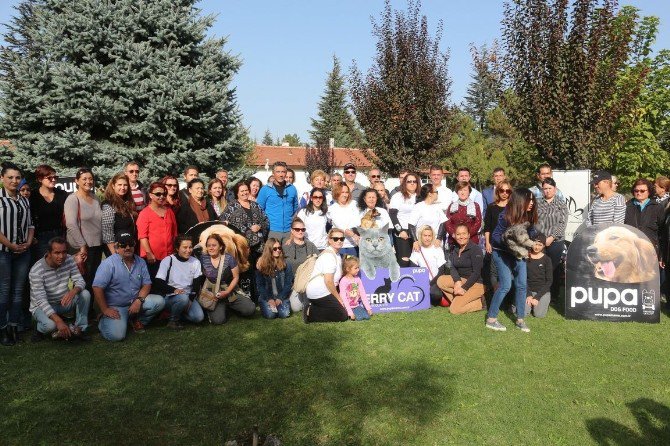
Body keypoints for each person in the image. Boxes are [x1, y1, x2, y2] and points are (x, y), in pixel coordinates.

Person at [92, 231, 165, 341]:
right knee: (117, 336)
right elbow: (97, 287)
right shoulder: (108, 264)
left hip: (135, 303)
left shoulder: (141, 261)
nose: (127, 247)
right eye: (123, 245)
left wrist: (139, 300)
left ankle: (135, 320)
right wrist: (105, 309)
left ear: (134, 245)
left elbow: (147, 284)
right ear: (116, 247)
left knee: (159, 301)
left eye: (130, 244)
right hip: (116, 306)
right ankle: (103, 319)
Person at [488, 188, 537, 333]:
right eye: (529, 200)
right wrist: (509, 241)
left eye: (533, 200)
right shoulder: (505, 216)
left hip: (519, 255)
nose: (532, 203)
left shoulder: (528, 216)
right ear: (520, 201)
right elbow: (495, 236)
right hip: (502, 253)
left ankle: (520, 320)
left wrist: (533, 240)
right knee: (505, 285)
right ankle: (491, 319)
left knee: (521, 285)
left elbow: (532, 232)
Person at [29, 237, 90, 341]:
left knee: (85, 294)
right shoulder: (36, 270)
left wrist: (73, 291)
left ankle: (80, 329)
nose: (61, 256)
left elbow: (80, 281)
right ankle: (40, 329)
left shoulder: (69, 259)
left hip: (62, 302)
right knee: (50, 326)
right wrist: (58, 321)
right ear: (48, 253)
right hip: (42, 306)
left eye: (64, 252)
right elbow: (41, 300)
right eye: (57, 253)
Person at [0, 162, 35, 346]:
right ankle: (3, 328)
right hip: (4, 252)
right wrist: (11, 245)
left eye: (17, 177)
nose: (14, 181)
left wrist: (28, 243)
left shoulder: (24, 200)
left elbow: (30, 225)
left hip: (23, 252)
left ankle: (15, 326)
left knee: (18, 291)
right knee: (4, 292)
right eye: (10, 177)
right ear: (2, 179)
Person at [200, 233, 255, 324]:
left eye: (214, 245)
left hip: (230, 291)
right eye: (208, 245)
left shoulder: (229, 258)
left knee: (250, 310)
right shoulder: (203, 258)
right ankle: (222, 308)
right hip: (213, 294)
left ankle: (231, 305)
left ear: (221, 247)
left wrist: (227, 292)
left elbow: (236, 277)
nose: (211, 248)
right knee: (218, 321)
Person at [63, 167, 102, 294]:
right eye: (84, 179)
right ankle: (82, 311)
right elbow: (71, 224)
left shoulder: (96, 198)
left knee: (94, 280)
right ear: (77, 181)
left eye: (90, 179)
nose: (88, 181)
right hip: (81, 247)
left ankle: (90, 310)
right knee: (82, 282)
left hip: (97, 246)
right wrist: (82, 245)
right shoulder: (72, 199)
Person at [153, 235, 205, 329]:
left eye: (190, 247)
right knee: (182, 298)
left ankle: (172, 314)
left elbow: (197, 284)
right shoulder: (168, 260)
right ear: (177, 248)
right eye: (185, 247)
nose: (188, 250)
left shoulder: (195, 262)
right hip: (171, 297)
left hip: (188, 296)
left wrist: (191, 299)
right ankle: (173, 321)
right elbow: (158, 282)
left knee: (198, 318)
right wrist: (174, 290)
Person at [437, 224, 486, 314]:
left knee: (454, 310)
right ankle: (459, 300)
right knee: (441, 280)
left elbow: (476, 273)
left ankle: (480, 303)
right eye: (458, 234)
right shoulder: (456, 249)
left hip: (476, 284)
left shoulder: (475, 249)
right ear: (455, 236)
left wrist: (463, 288)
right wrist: (457, 281)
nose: (461, 236)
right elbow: (453, 267)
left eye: (464, 234)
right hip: (462, 280)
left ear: (468, 235)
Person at [305, 228, 348, 323]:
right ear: (329, 240)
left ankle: (315, 306)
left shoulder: (336, 254)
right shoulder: (329, 256)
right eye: (336, 239)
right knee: (342, 315)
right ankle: (310, 312)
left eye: (342, 239)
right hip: (319, 292)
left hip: (326, 291)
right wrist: (339, 298)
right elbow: (328, 281)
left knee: (343, 309)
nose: (339, 241)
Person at [535, 178, 568, 302]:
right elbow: (535, 221)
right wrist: (542, 239)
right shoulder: (537, 203)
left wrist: (552, 237)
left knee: (553, 268)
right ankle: (540, 293)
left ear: (555, 189)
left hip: (556, 241)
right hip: (540, 241)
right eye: (545, 188)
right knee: (540, 267)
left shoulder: (561, 204)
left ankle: (553, 294)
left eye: (550, 188)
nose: (547, 191)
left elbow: (562, 223)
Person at [136, 182, 178, 279]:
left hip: (169, 255)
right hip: (153, 257)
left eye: (164, 194)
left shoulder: (169, 211)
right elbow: (142, 236)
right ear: (150, 195)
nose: (161, 197)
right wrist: (149, 253)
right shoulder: (144, 213)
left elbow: (174, 233)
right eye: (158, 194)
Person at [30, 164, 68, 260]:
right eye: (50, 178)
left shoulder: (62, 195)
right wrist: (32, 237)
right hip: (40, 237)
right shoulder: (33, 196)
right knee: (43, 265)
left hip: (59, 235)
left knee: (60, 263)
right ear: (40, 179)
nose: (54, 180)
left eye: (55, 177)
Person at [257, 161, 299, 241]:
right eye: (278, 172)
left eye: (283, 172)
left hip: (288, 231)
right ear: (273, 173)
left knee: (287, 253)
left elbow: (295, 208)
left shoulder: (292, 189)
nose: (281, 174)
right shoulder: (265, 189)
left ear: (286, 173)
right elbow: (259, 210)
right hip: (272, 231)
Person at [624, 178, 665, 261]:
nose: (639, 193)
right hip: (630, 251)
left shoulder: (657, 207)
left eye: (642, 191)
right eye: (636, 191)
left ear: (649, 191)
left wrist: (661, 254)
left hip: (651, 251)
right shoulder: (626, 206)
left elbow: (662, 232)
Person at [409, 225, 449, 307]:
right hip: (422, 281)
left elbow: (441, 271)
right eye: (425, 235)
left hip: (436, 281)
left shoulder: (437, 249)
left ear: (432, 236)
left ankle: (433, 298)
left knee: (436, 294)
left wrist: (431, 283)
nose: (427, 238)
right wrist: (423, 282)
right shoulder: (416, 249)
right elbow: (412, 269)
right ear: (421, 236)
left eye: (429, 236)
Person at [255, 238, 293, 319]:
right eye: (274, 248)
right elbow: (260, 285)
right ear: (269, 250)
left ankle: (279, 305)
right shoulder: (261, 264)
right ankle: (264, 304)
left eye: (279, 248)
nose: (278, 250)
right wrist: (269, 299)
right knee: (271, 315)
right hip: (267, 296)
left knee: (284, 314)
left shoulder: (286, 264)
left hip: (281, 295)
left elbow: (288, 284)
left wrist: (280, 298)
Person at [101, 173, 137, 255]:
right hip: (116, 250)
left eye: (125, 185)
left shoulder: (127, 203)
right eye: (119, 185)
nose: (123, 188)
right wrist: (115, 254)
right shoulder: (108, 205)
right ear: (113, 186)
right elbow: (107, 234)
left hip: (128, 247)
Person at [389, 172, 419, 266]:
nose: (412, 183)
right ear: (404, 183)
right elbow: (393, 215)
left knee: (417, 261)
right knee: (404, 262)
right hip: (403, 233)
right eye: (409, 181)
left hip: (418, 232)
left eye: (414, 181)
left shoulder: (420, 197)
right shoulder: (398, 196)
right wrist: (400, 231)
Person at [524, 234, 553, 318]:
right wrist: (528, 295)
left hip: (542, 291)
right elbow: (523, 278)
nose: (537, 247)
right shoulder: (526, 257)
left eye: (540, 245)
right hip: (528, 290)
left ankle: (541, 304)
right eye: (535, 244)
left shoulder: (547, 260)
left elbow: (549, 281)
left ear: (543, 246)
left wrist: (537, 297)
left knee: (539, 315)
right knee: (524, 313)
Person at [445, 181, 482, 247]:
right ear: (457, 192)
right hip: (454, 241)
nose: (462, 192)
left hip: (471, 240)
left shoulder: (475, 206)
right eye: (460, 190)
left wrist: (466, 235)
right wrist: (454, 234)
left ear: (469, 192)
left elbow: (478, 222)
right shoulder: (452, 206)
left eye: (465, 190)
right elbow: (447, 222)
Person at [327, 185, 359, 257]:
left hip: (354, 244)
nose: (345, 195)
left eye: (346, 192)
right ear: (337, 193)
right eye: (342, 192)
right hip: (340, 245)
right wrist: (354, 235)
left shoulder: (354, 204)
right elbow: (341, 227)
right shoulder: (332, 209)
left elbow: (358, 222)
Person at [338, 256, 372, 320]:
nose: (358, 270)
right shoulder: (343, 281)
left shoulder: (357, 279)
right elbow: (343, 298)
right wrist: (350, 312)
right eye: (356, 268)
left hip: (356, 306)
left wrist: (368, 308)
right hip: (345, 306)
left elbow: (363, 293)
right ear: (348, 269)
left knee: (367, 317)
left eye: (358, 267)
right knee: (358, 318)